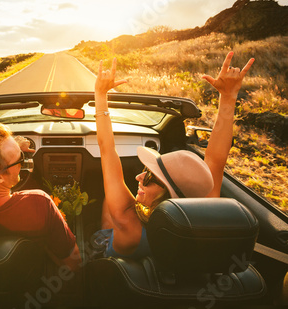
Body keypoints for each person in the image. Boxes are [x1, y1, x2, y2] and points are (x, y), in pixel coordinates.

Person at [93, 51, 255, 258]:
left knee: (108, 204)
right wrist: (228, 97)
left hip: (117, 261)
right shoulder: (203, 209)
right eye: (146, 171)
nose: (138, 177)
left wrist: (100, 94)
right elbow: (216, 159)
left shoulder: (127, 221)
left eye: (150, 177)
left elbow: (107, 149)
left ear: (169, 194)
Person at [0, 122, 82, 271]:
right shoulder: (40, 203)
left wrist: (11, 150)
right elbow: (74, 264)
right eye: (19, 160)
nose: (22, 162)